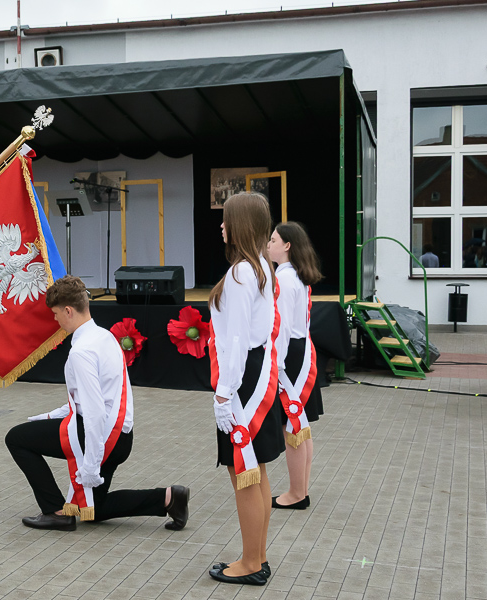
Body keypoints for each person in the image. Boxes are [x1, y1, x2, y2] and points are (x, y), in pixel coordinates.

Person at [5, 275, 189, 531]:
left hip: (99, 436)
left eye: (56, 313)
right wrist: (49, 417)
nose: (55, 319)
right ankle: (168, 498)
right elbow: (93, 401)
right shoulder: (104, 336)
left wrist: (91, 465)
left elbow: (92, 412)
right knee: (95, 509)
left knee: (16, 438)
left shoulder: (81, 352)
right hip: (121, 436)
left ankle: (56, 511)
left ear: (68, 310)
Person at [207, 192, 284, 586]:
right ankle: (257, 554)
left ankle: (251, 563)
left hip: (242, 381)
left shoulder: (240, 273)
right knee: (257, 472)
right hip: (256, 375)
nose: (221, 225)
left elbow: (234, 343)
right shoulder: (261, 268)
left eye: (226, 219)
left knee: (244, 474)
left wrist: (223, 395)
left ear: (242, 225)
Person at [268, 222, 324, 511]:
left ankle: (295, 493)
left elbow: (282, 328)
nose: (269, 243)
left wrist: (275, 366)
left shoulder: (284, 278)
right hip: (301, 350)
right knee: (300, 427)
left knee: (293, 425)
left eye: (273, 239)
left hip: (290, 355)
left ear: (287, 246)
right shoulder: (295, 276)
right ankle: (300, 489)